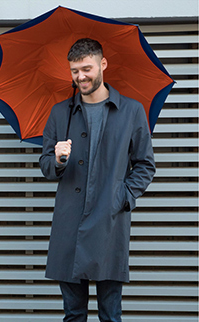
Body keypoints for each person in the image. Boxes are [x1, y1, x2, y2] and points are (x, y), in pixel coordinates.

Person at [39, 38, 156, 322]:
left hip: (109, 225)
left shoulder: (131, 110)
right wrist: (58, 160)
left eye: (86, 68)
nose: (80, 77)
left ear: (102, 64)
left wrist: (122, 196)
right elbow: (45, 166)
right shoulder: (59, 112)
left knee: (110, 315)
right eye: (74, 71)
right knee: (73, 314)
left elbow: (145, 165)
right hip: (69, 225)